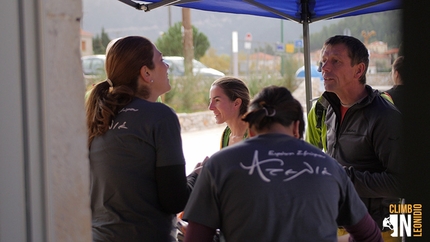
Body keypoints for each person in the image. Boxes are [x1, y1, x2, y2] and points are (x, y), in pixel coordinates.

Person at [183, 86, 382, 242]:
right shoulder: (330, 166)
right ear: (296, 127)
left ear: (251, 130)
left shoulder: (219, 165)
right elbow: (371, 236)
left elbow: (195, 238)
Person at [86, 36, 202, 242]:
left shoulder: (99, 116)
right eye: (161, 60)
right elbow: (175, 201)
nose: (167, 66)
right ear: (146, 72)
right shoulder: (160, 116)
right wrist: (199, 175)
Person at [317, 35, 402, 241]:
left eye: (335, 61)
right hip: (339, 224)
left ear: (359, 70)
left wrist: (345, 177)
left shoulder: (385, 116)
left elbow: (402, 182)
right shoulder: (330, 109)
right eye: (323, 61)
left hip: (380, 229)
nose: (324, 68)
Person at [208, 76, 251, 148]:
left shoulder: (255, 136)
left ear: (236, 103)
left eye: (217, 100)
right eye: (210, 100)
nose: (210, 107)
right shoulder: (226, 134)